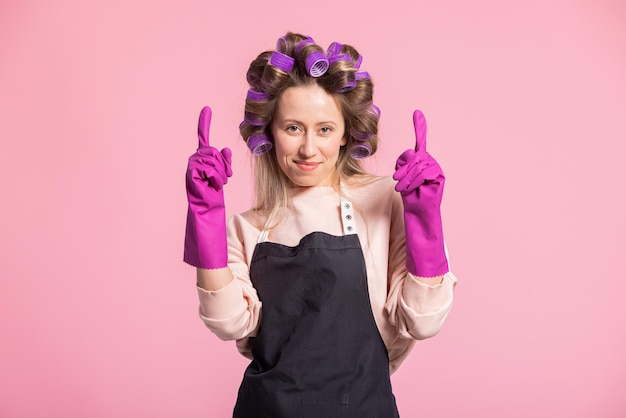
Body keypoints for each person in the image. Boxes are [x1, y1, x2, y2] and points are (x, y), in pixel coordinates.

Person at [184, 32, 458, 417]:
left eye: (325, 129)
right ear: (269, 132)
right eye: (293, 128)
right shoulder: (248, 228)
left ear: (347, 133)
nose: (308, 149)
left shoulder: (385, 202)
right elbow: (230, 324)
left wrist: (426, 222)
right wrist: (205, 219)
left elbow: (422, 320)